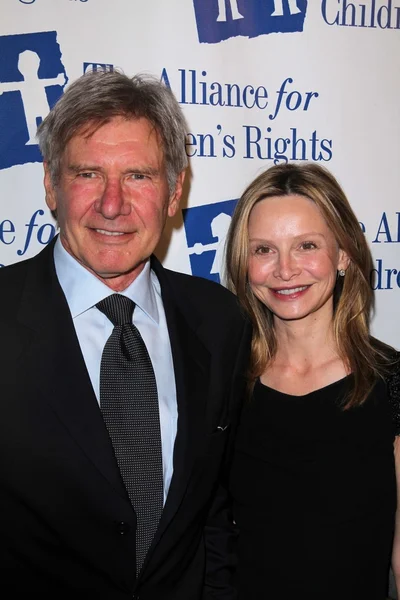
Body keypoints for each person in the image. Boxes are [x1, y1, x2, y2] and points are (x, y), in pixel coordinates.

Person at [0, 70, 250, 599]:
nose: (112, 204)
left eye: (138, 175)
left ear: (175, 191)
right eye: (89, 173)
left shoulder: (219, 320)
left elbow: (213, 511)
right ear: (50, 183)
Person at [225, 162, 400, 600]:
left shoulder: (391, 381)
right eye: (263, 250)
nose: (285, 269)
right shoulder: (223, 382)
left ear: (343, 254)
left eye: (306, 245)